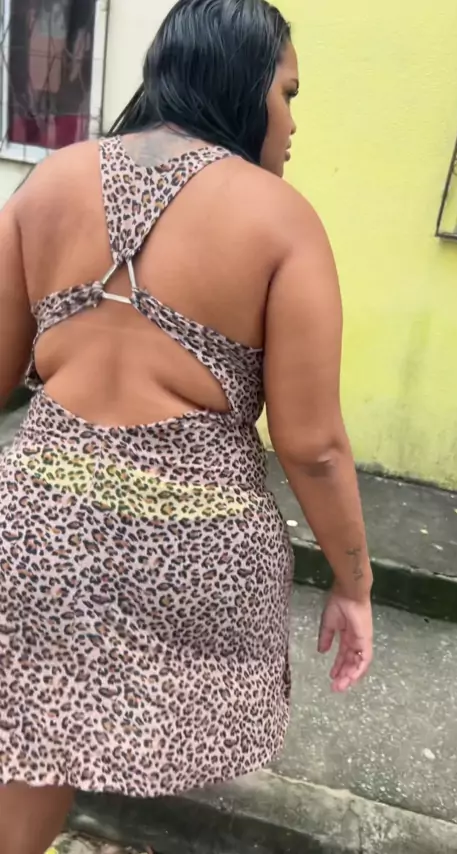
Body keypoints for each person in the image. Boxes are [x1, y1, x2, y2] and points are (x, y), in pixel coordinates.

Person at [0, 0, 373, 851]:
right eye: (287, 94)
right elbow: (313, 446)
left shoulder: (48, 183)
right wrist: (353, 585)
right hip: (190, 553)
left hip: (33, 531)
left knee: (31, 748)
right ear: (243, 82)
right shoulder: (280, 218)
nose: (292, 124)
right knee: (50, 746)